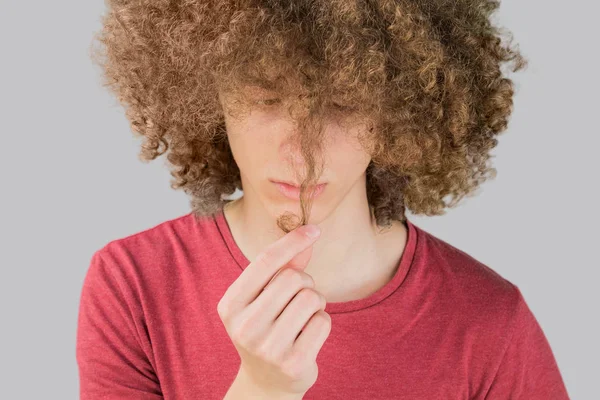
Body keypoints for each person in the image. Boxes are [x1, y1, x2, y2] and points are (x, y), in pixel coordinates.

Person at [77, 0, 570, 399]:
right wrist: (262, 390)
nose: (301, 151)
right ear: (207, 96)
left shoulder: (489, 324)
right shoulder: (133, 285)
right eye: (266, 99)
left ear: (398, 113)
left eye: (342, 105)